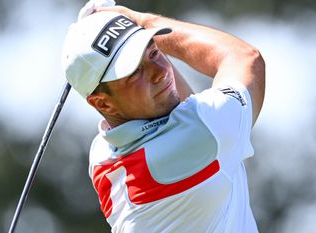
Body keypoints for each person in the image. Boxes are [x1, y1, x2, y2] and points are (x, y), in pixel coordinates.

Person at [61, 2, 265, 232]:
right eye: (135, 71)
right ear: (102, 102)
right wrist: (141, 20)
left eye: (153, 51)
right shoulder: (199, 136)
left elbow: (181, 110)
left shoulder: (101, 155)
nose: (160, 72)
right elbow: (245, 58)